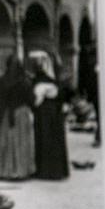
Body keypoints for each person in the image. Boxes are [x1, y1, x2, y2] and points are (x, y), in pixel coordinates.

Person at [0, 55, 35, 180]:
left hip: (3, 113)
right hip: (20, 114)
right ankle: (19, 170)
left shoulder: (1, 81)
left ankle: (3, 170)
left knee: (4, 142)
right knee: (19, 142)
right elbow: (31, 100)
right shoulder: (25, 82)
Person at [29, 50, 70, 180]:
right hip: (54, 112)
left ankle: (46, 171)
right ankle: (56, 170)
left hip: (44, 113)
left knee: (45, 138)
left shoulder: (41, 80)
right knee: (53, 139)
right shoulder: (54, 80)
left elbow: (37, 100)